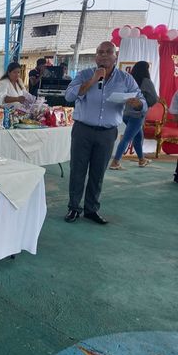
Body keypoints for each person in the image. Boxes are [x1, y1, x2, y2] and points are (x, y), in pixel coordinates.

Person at [64, 41, 147, 224]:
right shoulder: (85, 75)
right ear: (96, 57)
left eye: (108, 52)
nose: (104, 55)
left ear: (115, 56)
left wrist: (138, 104)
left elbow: (141, 101)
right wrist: (93, 80)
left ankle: (91, 209)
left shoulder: (126, 79)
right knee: (78, 170)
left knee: (98, 172)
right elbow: (69, 96)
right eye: (100, 52)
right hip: (83, 130)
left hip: (107, 133)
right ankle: (73, 208)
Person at [109, 61, 158, 170]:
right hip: (138, 114)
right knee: (127, 138)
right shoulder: (146, 81)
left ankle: (141, 160)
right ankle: (115, 162)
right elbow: (154, 98)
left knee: (138, 136)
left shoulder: (129, 80)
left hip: (125, 113)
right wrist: (145, 104)